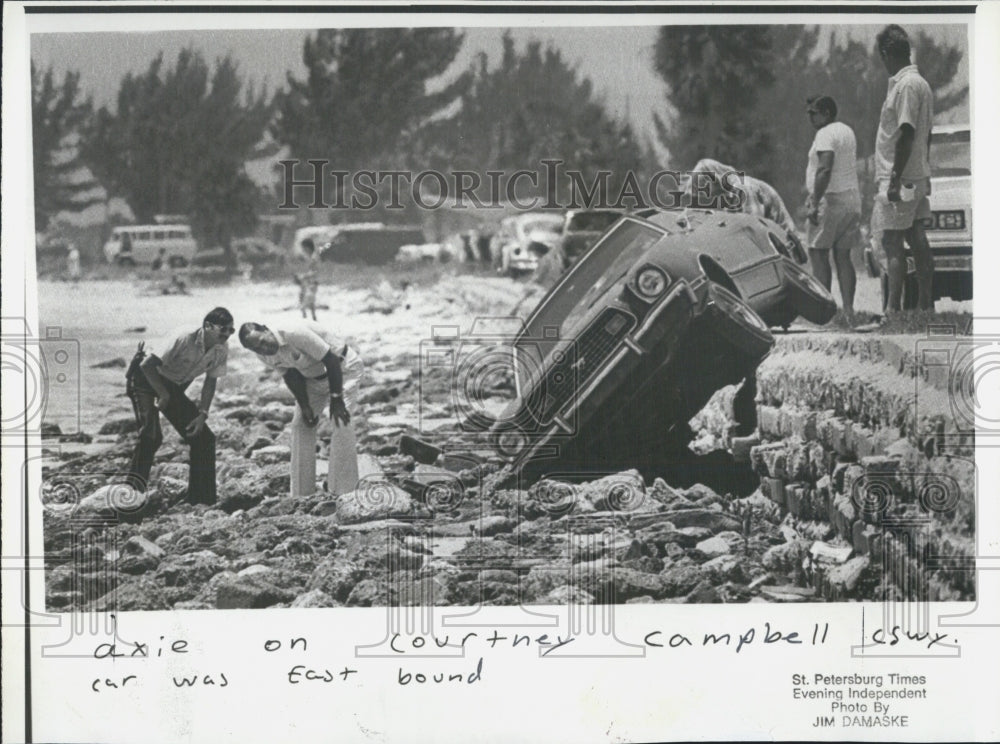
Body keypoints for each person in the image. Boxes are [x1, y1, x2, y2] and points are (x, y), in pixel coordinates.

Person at [239, 319, 363, 497]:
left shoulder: (293, 333)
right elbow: (290, 375)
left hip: (343, 369)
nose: (264, 349)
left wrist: (337, 399)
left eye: (263, 342)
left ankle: (344, 490)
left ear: (267, 330)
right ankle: (301, 492)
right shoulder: (262, 354)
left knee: (339, 419)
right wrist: (304, 405)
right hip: (313, 380)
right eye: (257, 348)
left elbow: (331, 360)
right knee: (300, 424)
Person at [124, 307, 233, 505]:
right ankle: (131, 498)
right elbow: (147, 365)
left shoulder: (221, 348)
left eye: (230, 331)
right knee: (151, 435)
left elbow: (211, 381)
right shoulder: (184, 336)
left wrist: (203, 414)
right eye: (223, 329)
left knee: (204, 438)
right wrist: (163, 394)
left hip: (171, 384)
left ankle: (201, 501)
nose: (226, 335)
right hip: (145, 377)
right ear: (208, 326)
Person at [872, 24, 934, 313]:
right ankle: (924, 303)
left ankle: (893, 308)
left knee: (892, 240)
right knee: (916, 235)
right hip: (917, 173)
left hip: (901, 176)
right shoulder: (920, 83)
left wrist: (894, 179)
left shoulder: (906, 86)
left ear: (887, 53)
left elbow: (906, 133)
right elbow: (927, 135)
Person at [804, 94, 861, 321]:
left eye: (813, 113)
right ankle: (848, 311)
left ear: (827, 112)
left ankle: (823, 312)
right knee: (843, 257)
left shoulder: (824, 134)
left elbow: (824, 169)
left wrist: (815, 202)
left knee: (818, 254)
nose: (810, 118)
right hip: (851, 197)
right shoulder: (846, 131)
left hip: (830, 199)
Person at [686, 158, 797, 234]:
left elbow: (753, 228)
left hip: (787, 247)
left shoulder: (743, 188)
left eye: (703, 185)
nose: (703, 193)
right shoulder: (729, 194)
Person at [295, 238, 320, 320]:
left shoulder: (313, 258)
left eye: (303, 248)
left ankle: (305, 320)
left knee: (304, 304)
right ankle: (313, 319)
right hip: (309, 283)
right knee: (310, 303)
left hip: (312, 284)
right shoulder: (310, 258)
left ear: (307, 248)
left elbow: (315, 272)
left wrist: (303, 276)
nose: (303, 250)